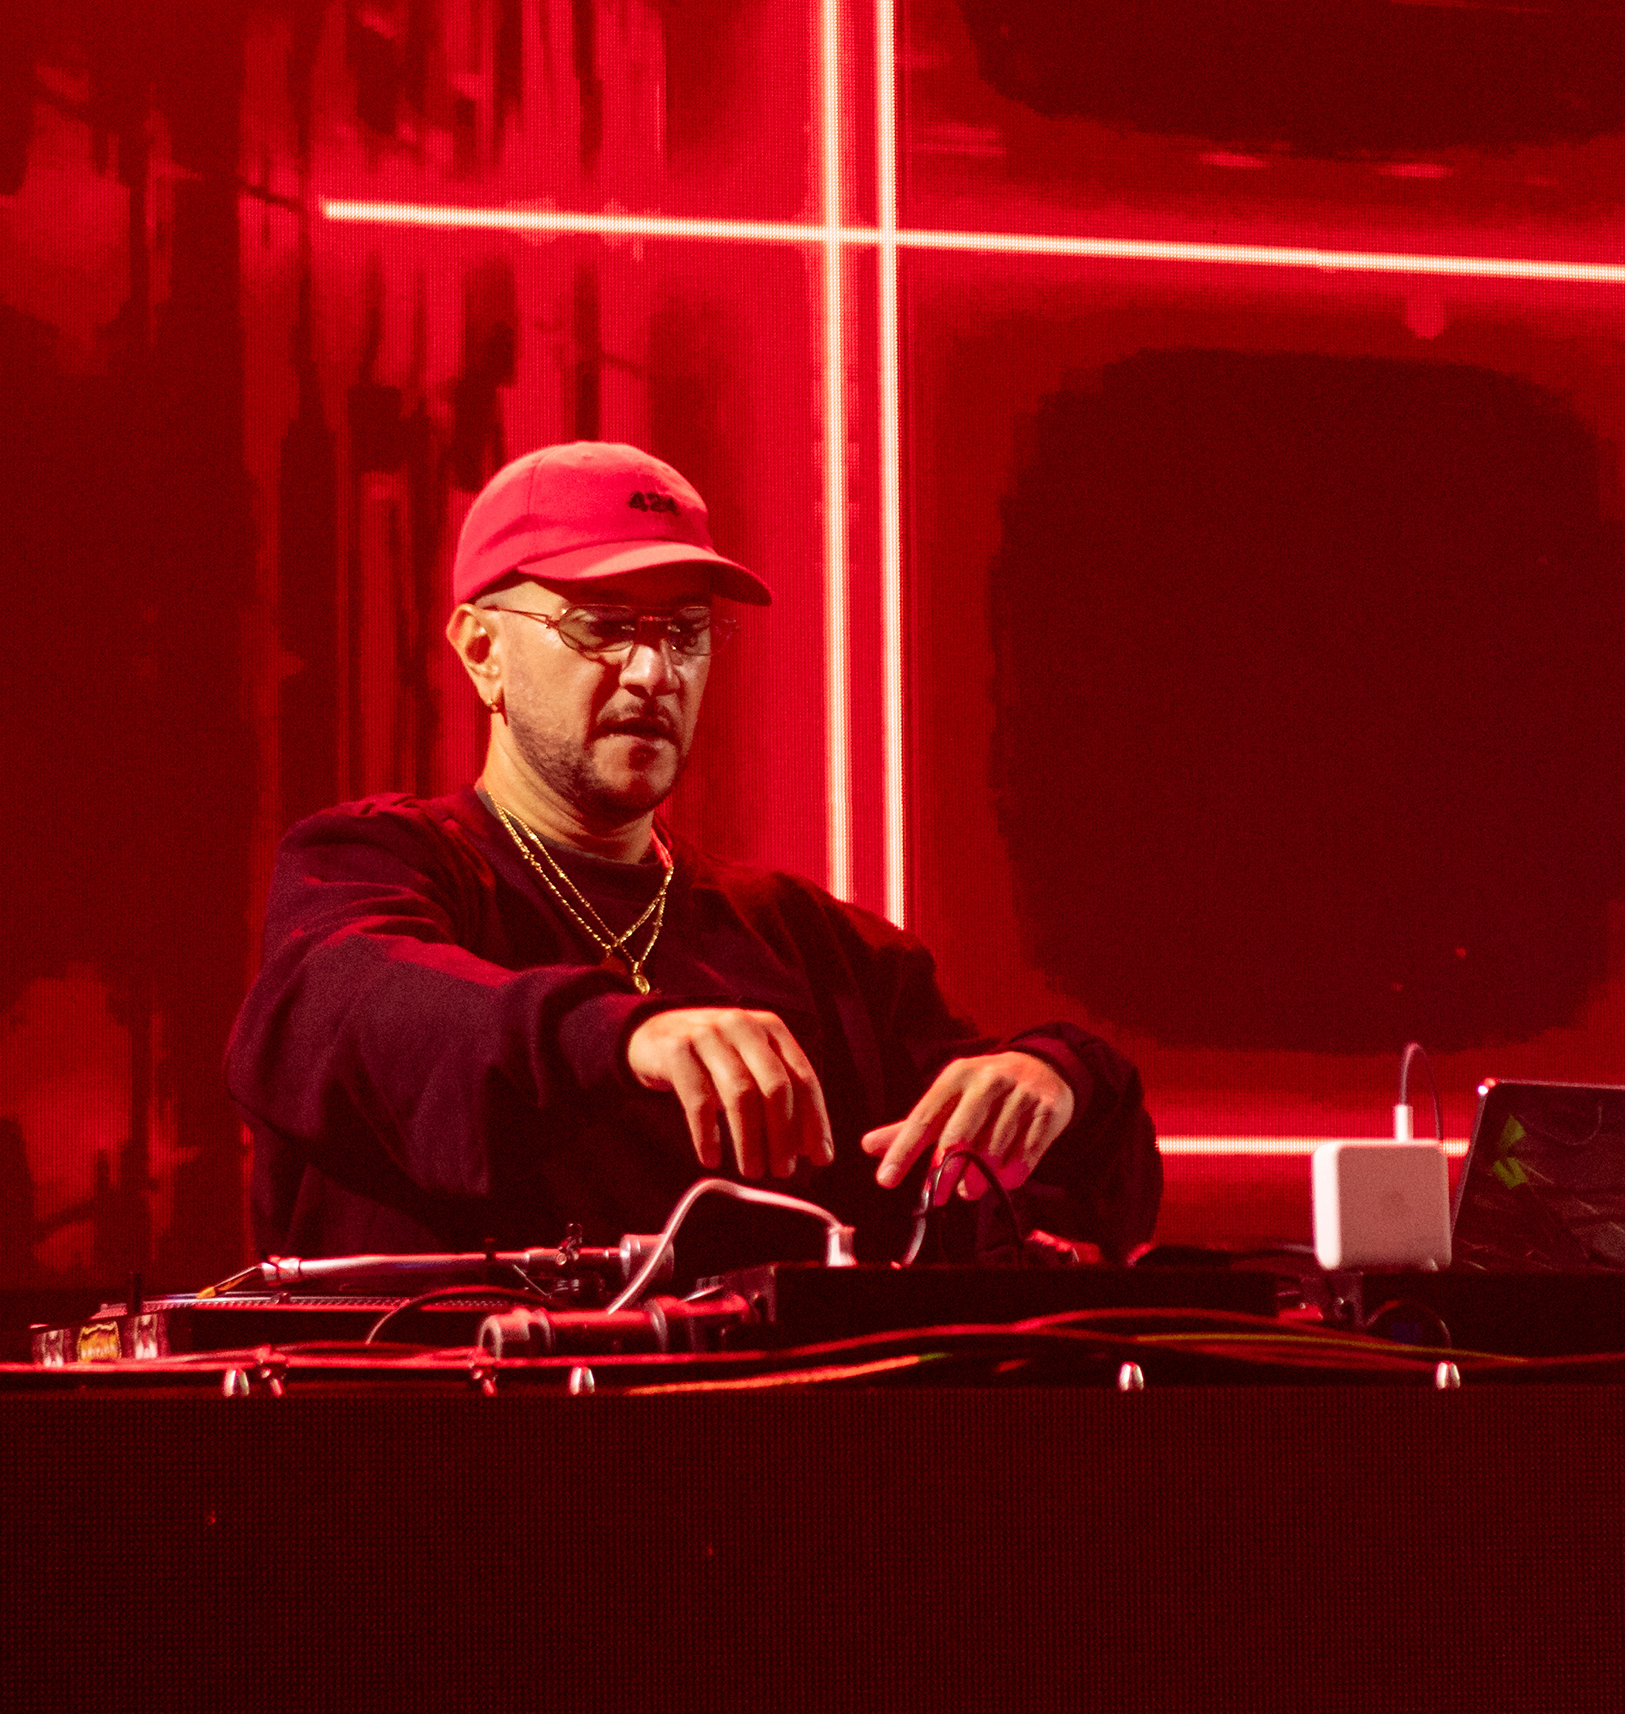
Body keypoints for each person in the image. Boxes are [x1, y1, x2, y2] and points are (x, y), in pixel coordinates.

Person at [227, 440, 1162, 1267]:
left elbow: (1039, 1193)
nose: (654, 672)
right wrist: (622, 1033)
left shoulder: (815, 947)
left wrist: (1061, 1080)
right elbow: (345, 1010)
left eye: (684, 633)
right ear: (482, 651)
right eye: (602, 626)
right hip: (440, 1414)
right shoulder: (375, 862)